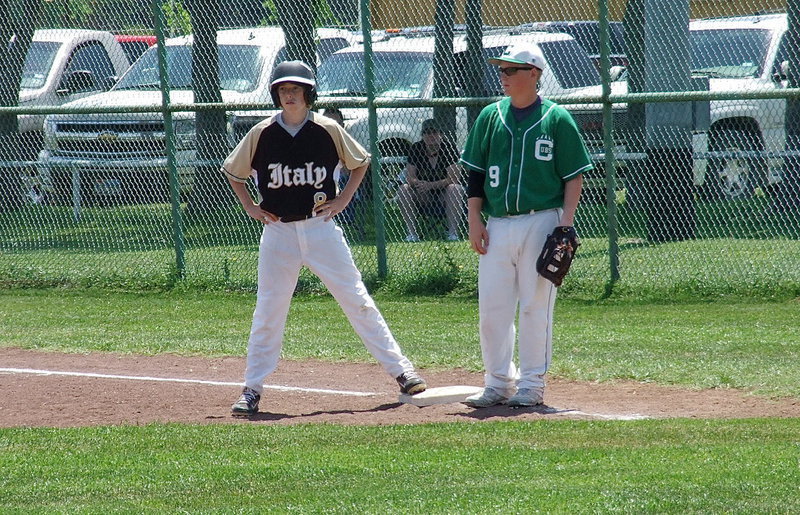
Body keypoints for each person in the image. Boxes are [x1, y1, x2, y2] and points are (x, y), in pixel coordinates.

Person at [221, 61, 427, 416]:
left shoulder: (328, 129)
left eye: (296, 90)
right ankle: (252, 389)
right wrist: (250, 207)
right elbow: (234, 172)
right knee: (269, 310)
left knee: (357, 299)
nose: (289, 95)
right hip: (279, 231)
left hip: (320, 229)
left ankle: (402, 371)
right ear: (276, 94)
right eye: (284, 90)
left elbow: (360, 162)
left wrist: (344, 198)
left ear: (308, 95)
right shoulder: (261, 133)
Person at [459, 45, 591, 408]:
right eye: (500, 70)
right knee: (493, 308)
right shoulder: (489, 116)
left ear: (533, 74)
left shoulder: (557, 118)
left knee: (535, 305)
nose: (502, 75)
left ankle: (532, 385)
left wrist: (565, 225)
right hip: (498, 223)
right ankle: (498, 382)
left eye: (509, 70)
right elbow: (476, 174)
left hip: (542, 220)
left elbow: (573, 176)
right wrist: (474, 220)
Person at [396, 119, 465, 242]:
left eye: (434, 132)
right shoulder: (416, 148)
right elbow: (410, 177)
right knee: (403, 189)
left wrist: (431, 185)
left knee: (455, 188)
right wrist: (420, 184)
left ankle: (453, 234)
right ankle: (412, 234)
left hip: (444, 195)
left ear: (441, 134)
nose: (431, 136)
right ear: (422, 135)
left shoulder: (449, 148)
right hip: (423, 194)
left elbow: (454, 178)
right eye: (427, 133)